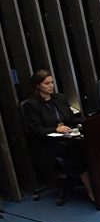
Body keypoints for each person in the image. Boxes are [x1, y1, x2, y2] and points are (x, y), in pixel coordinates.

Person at [21, 69, 93, 204]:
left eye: (52, 82)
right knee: (77, 150)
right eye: (46, 83)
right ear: (38, 86)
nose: (51, 86)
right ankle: (91, 190)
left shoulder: (60, 98)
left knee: (89, 144)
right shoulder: (31, 105)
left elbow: (71, 120)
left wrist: (86, 121)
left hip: (68, 139)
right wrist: (56, 129)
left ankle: (99, 183)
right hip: (47, 144)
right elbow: (36, 130)